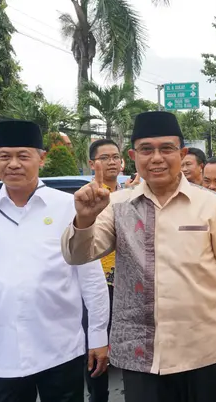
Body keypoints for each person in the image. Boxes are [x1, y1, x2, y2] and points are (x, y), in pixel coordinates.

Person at [61, 112, 216, 402]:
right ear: (133, 155)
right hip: (142, 354)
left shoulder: (211, 205)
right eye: (146, 149)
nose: (157, 158)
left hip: (207, 350)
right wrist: (84, 220)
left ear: (182, 153)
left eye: (166, 149)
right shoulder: (116, 205)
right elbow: (78, 255)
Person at [0, 121, 110, 402]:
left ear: (41, 158)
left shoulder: (68, 206)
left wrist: (99, 336)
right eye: (5, 156)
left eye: (23, 156)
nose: (13, 164)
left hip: (59, 348)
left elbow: (90, 278)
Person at [85, 138, 126, 402]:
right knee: (96, 345)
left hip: (127, 283)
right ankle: (97, 397)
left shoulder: (131, 194)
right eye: (104, 157)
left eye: (115, 156)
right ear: (92, 164)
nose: (111, 162)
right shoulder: (84, 197)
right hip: (96, 284)